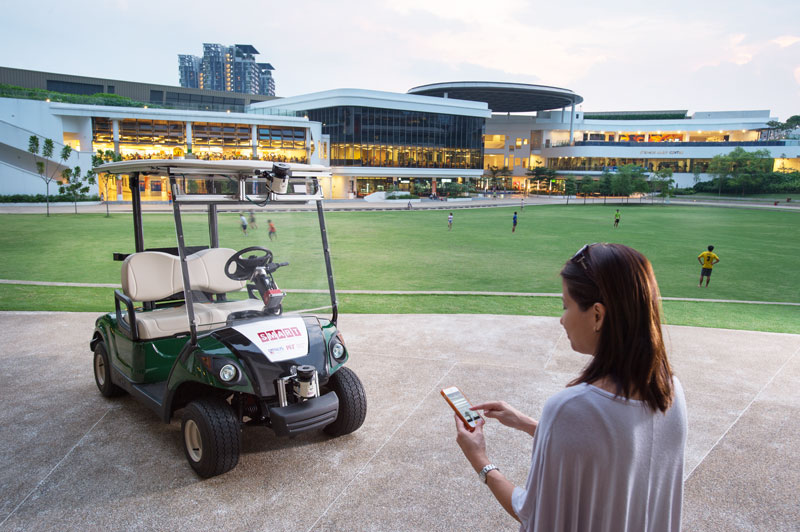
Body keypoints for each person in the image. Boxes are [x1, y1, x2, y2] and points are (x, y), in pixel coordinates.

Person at [453, 243, 687, 531]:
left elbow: (531, 512)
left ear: (598, 315)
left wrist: (479, 459)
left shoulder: (572, 407)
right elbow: (615, 453)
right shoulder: (670, 390)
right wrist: (529, 425)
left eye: (566, 305)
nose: (561, 319)